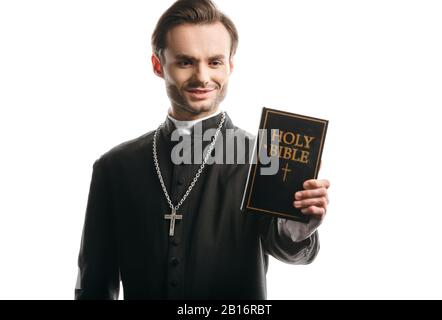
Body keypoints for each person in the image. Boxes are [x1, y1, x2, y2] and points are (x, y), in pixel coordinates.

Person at [75, 0, 330, 300]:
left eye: (214, 62)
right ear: (158, 66)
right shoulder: (114, 167)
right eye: (185, 62)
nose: (203, 77)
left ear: (230, 66)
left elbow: (287, 248)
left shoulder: (263, 156)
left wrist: (297, 228)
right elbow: (93, 284)